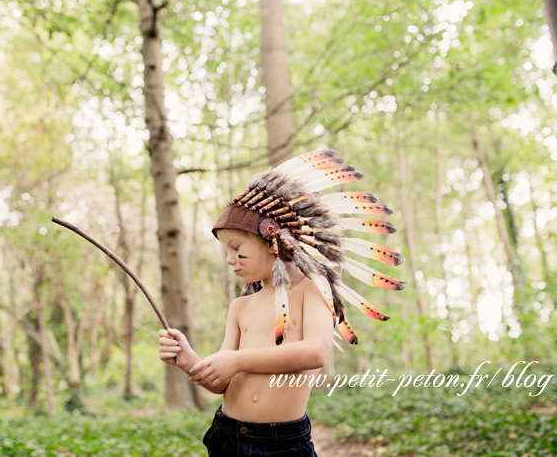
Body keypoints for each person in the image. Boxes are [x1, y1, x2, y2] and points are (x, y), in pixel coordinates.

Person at [158, 150, 406, 457]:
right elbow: (221, 382)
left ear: (272, 241)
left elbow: (314, 352)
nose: (229, 260)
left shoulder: (311, 291)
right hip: (228, 437)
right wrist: (190, 360)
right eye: (226, 251)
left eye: (237, 248)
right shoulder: (240, 307)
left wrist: (238, 360)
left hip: (283, 445)